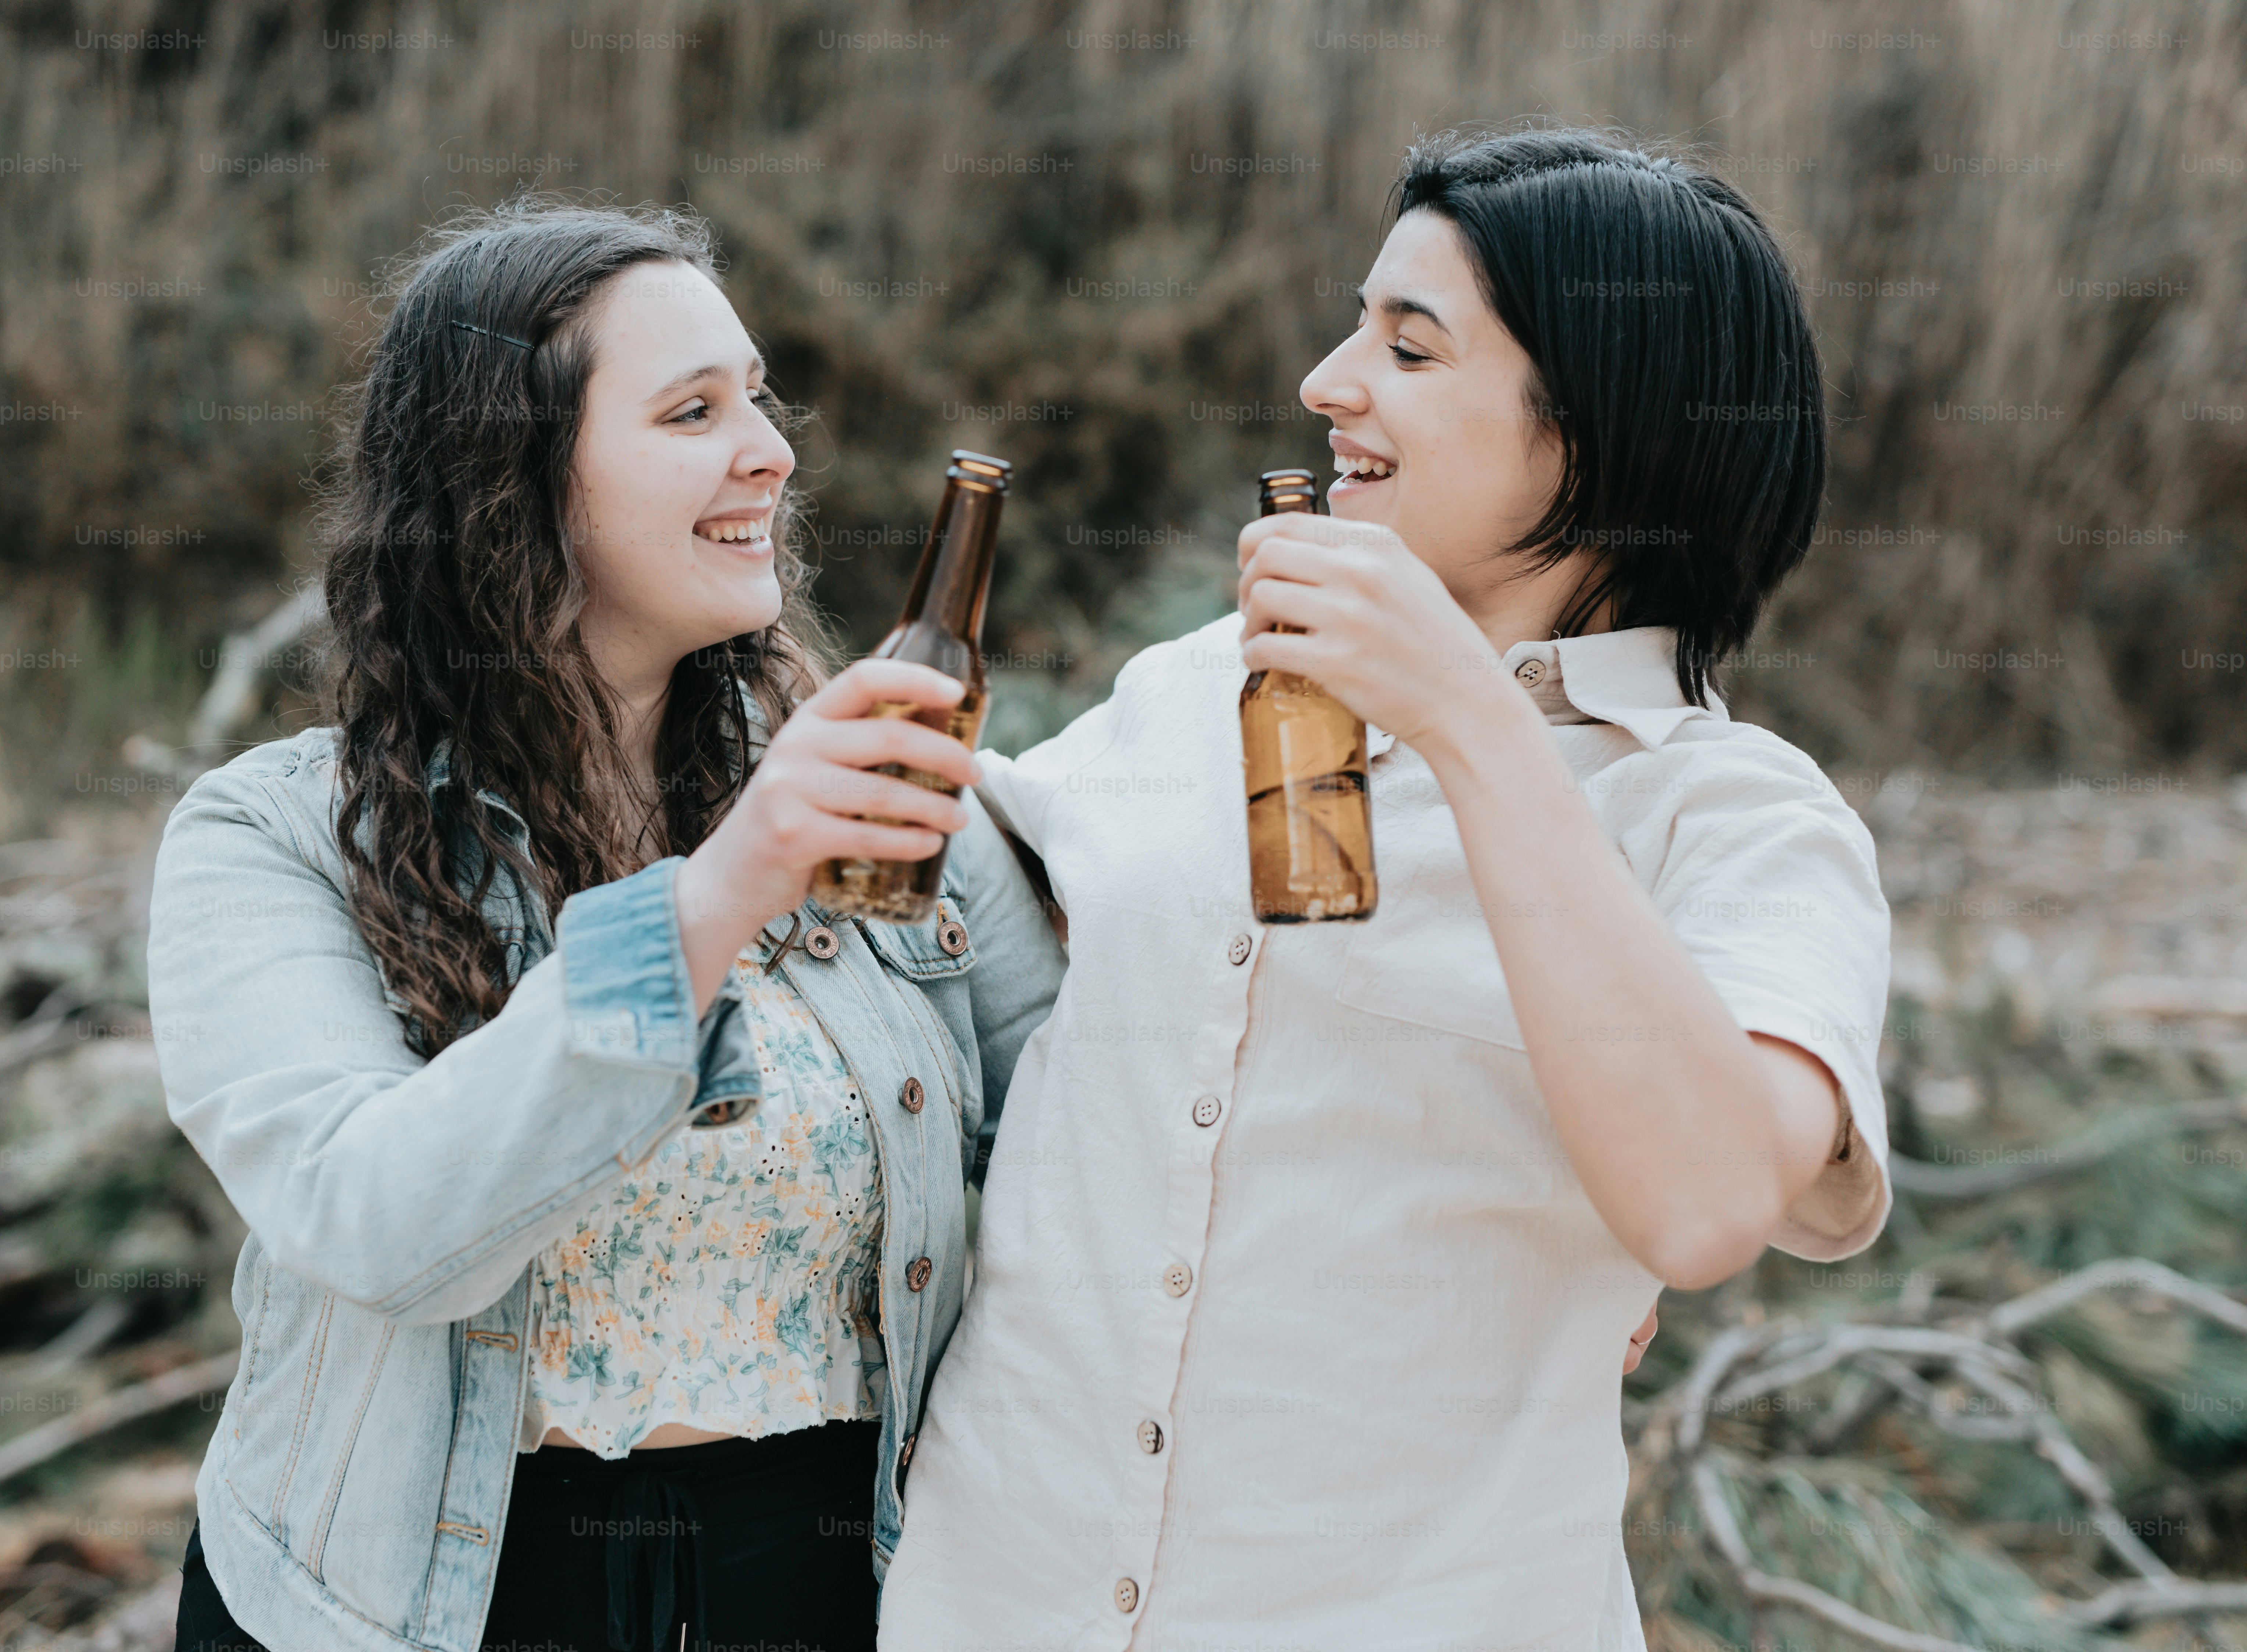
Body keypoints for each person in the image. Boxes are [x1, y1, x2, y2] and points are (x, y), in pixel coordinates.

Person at [878, 128, 1895, 1647]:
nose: (1327, 381)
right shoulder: (1194, 691)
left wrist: (1469, 717)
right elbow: (919, 908)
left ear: (1598, 423)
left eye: (1409, 349)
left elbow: (1700, 1204)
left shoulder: (1739, 820)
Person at [146, 199, 1066, 1652]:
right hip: (424, 1603)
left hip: (832, 1579)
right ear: (510, 480)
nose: (770, 452)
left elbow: (1088, 1153)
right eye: (693, 411)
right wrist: (716, 895)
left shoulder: (887, 802)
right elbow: (377, 1225)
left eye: (756, 398)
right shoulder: (272, 841)